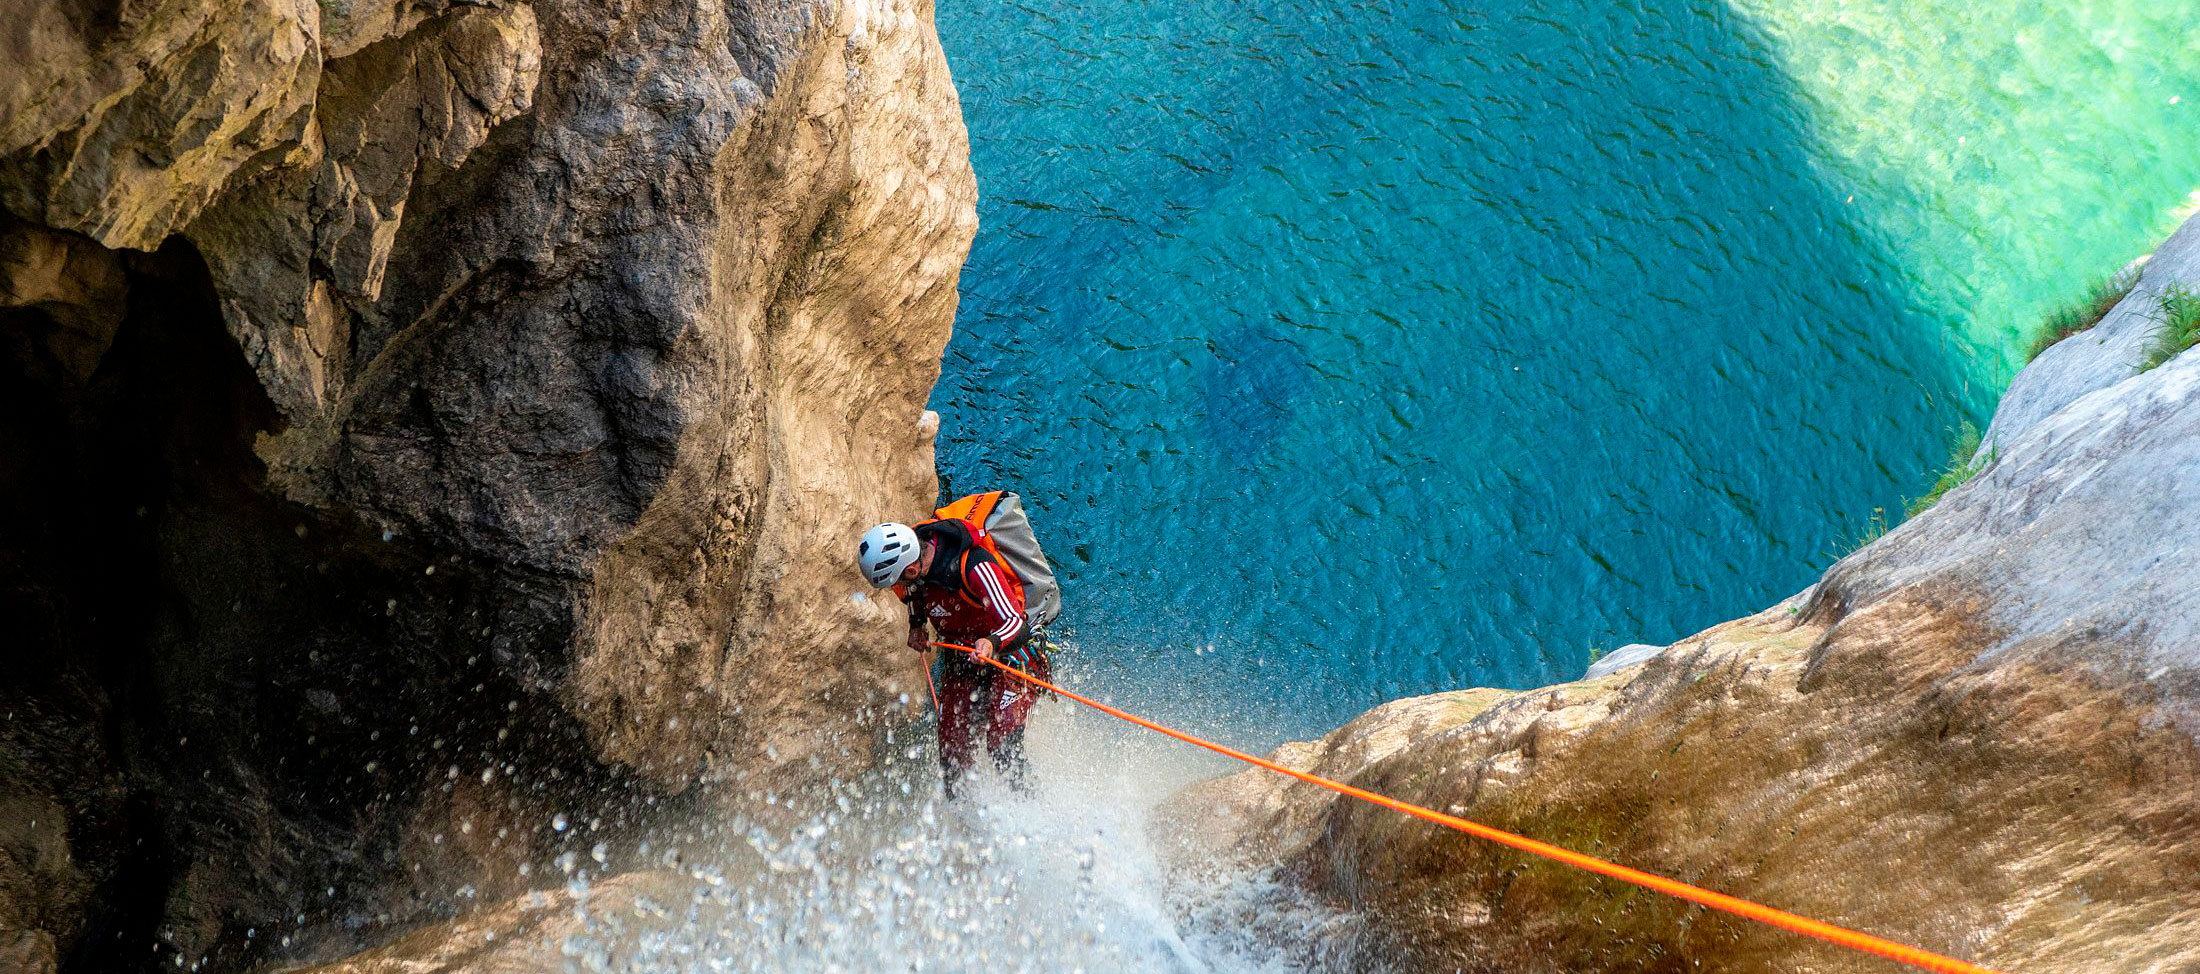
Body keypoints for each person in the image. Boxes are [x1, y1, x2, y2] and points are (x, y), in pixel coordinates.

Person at [858, 516, 1053, 796]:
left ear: (912, 568)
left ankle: (1035, 808)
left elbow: (1016, 624)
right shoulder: (916, 572)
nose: (895, 589)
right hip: (964, 658)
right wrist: (916, 626)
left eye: (895, 582)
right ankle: (964, 825)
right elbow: (914, 595)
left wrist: (991, 643)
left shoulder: (975, 565)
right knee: (952, 755)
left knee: (1002, 748)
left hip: (1012, 656)